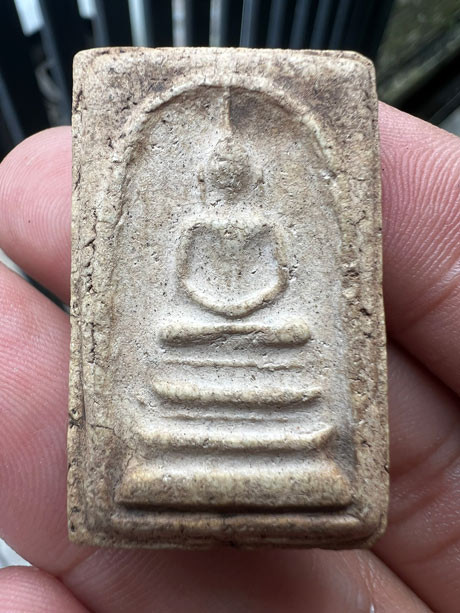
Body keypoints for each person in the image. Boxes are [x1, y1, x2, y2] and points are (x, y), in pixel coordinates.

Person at [0, 103, 458, 612]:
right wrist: (221, 310)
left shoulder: (265, 224)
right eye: (219, 176)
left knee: (293, 333)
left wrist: (247, 309)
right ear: (206, 181)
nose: (226, 184)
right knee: (171, 333)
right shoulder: (195, 226)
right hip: (203, 320)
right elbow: (187, 281)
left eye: (233, 176)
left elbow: (279, 279)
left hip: (261, 319)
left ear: (249, 179)